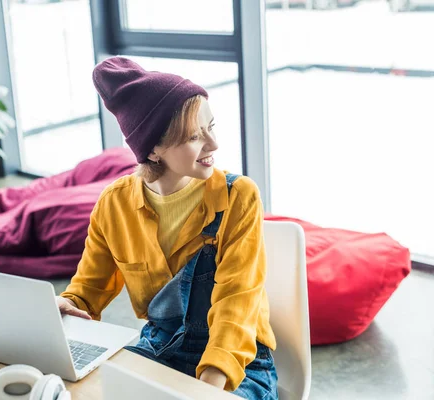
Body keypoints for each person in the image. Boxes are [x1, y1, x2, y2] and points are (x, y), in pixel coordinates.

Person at [56, 57, 278, 399]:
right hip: (158, 350)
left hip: (237, 363)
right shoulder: (113, 205)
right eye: (194, 135)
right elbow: (88, 291)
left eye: (211, 126)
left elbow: (239, 300)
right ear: (154, 149)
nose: (213, 144)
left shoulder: (239, 196)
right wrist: (66, 305)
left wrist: (206, 390)